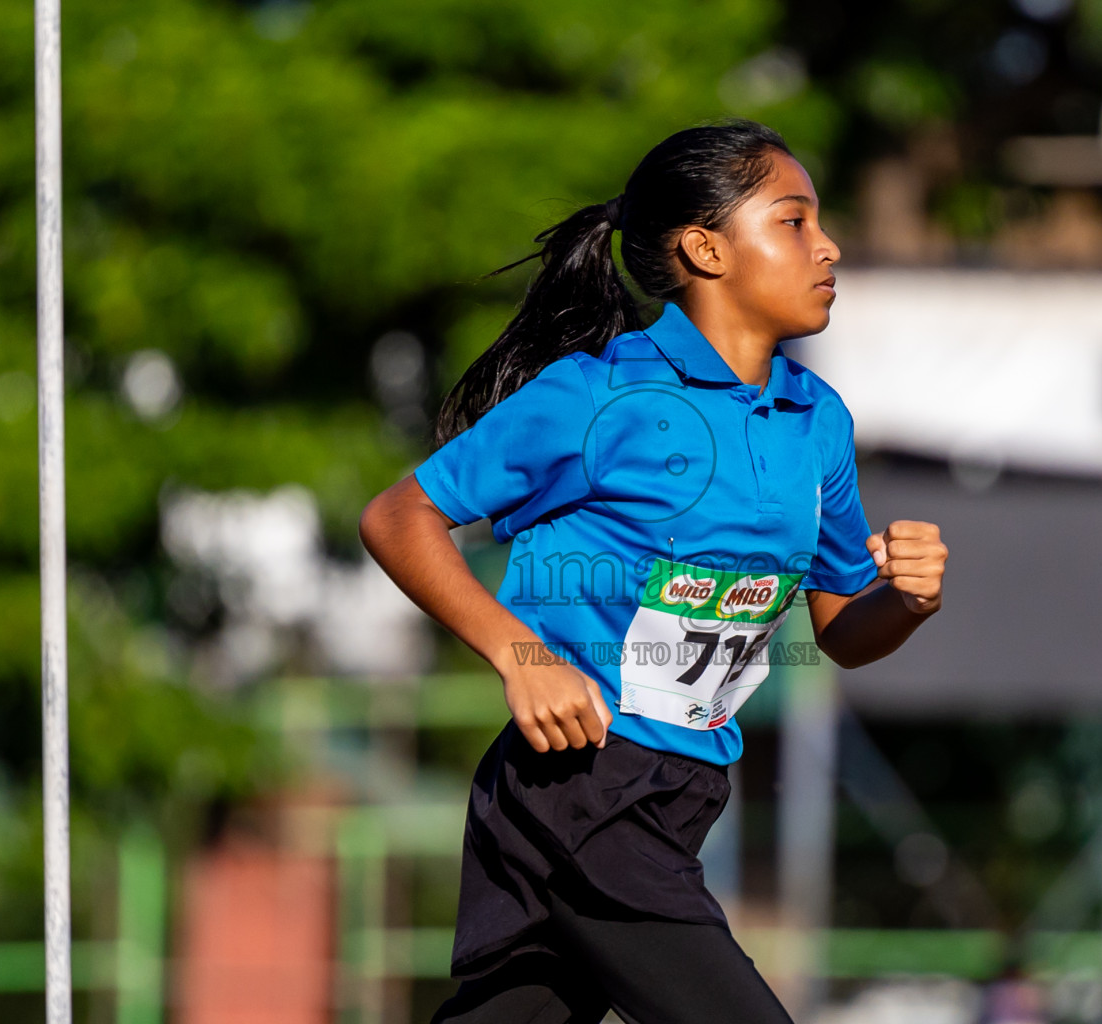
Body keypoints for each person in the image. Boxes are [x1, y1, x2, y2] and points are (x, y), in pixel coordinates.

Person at [359, 118, 949, 1024]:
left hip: (683, 793)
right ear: (705, 248)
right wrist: (525, 656)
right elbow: (399, 517)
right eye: (793, 222)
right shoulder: (596, 397)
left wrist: (905, 602)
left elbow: (838, 630)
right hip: (580, 787)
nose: (827, 245)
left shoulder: (816, 420)